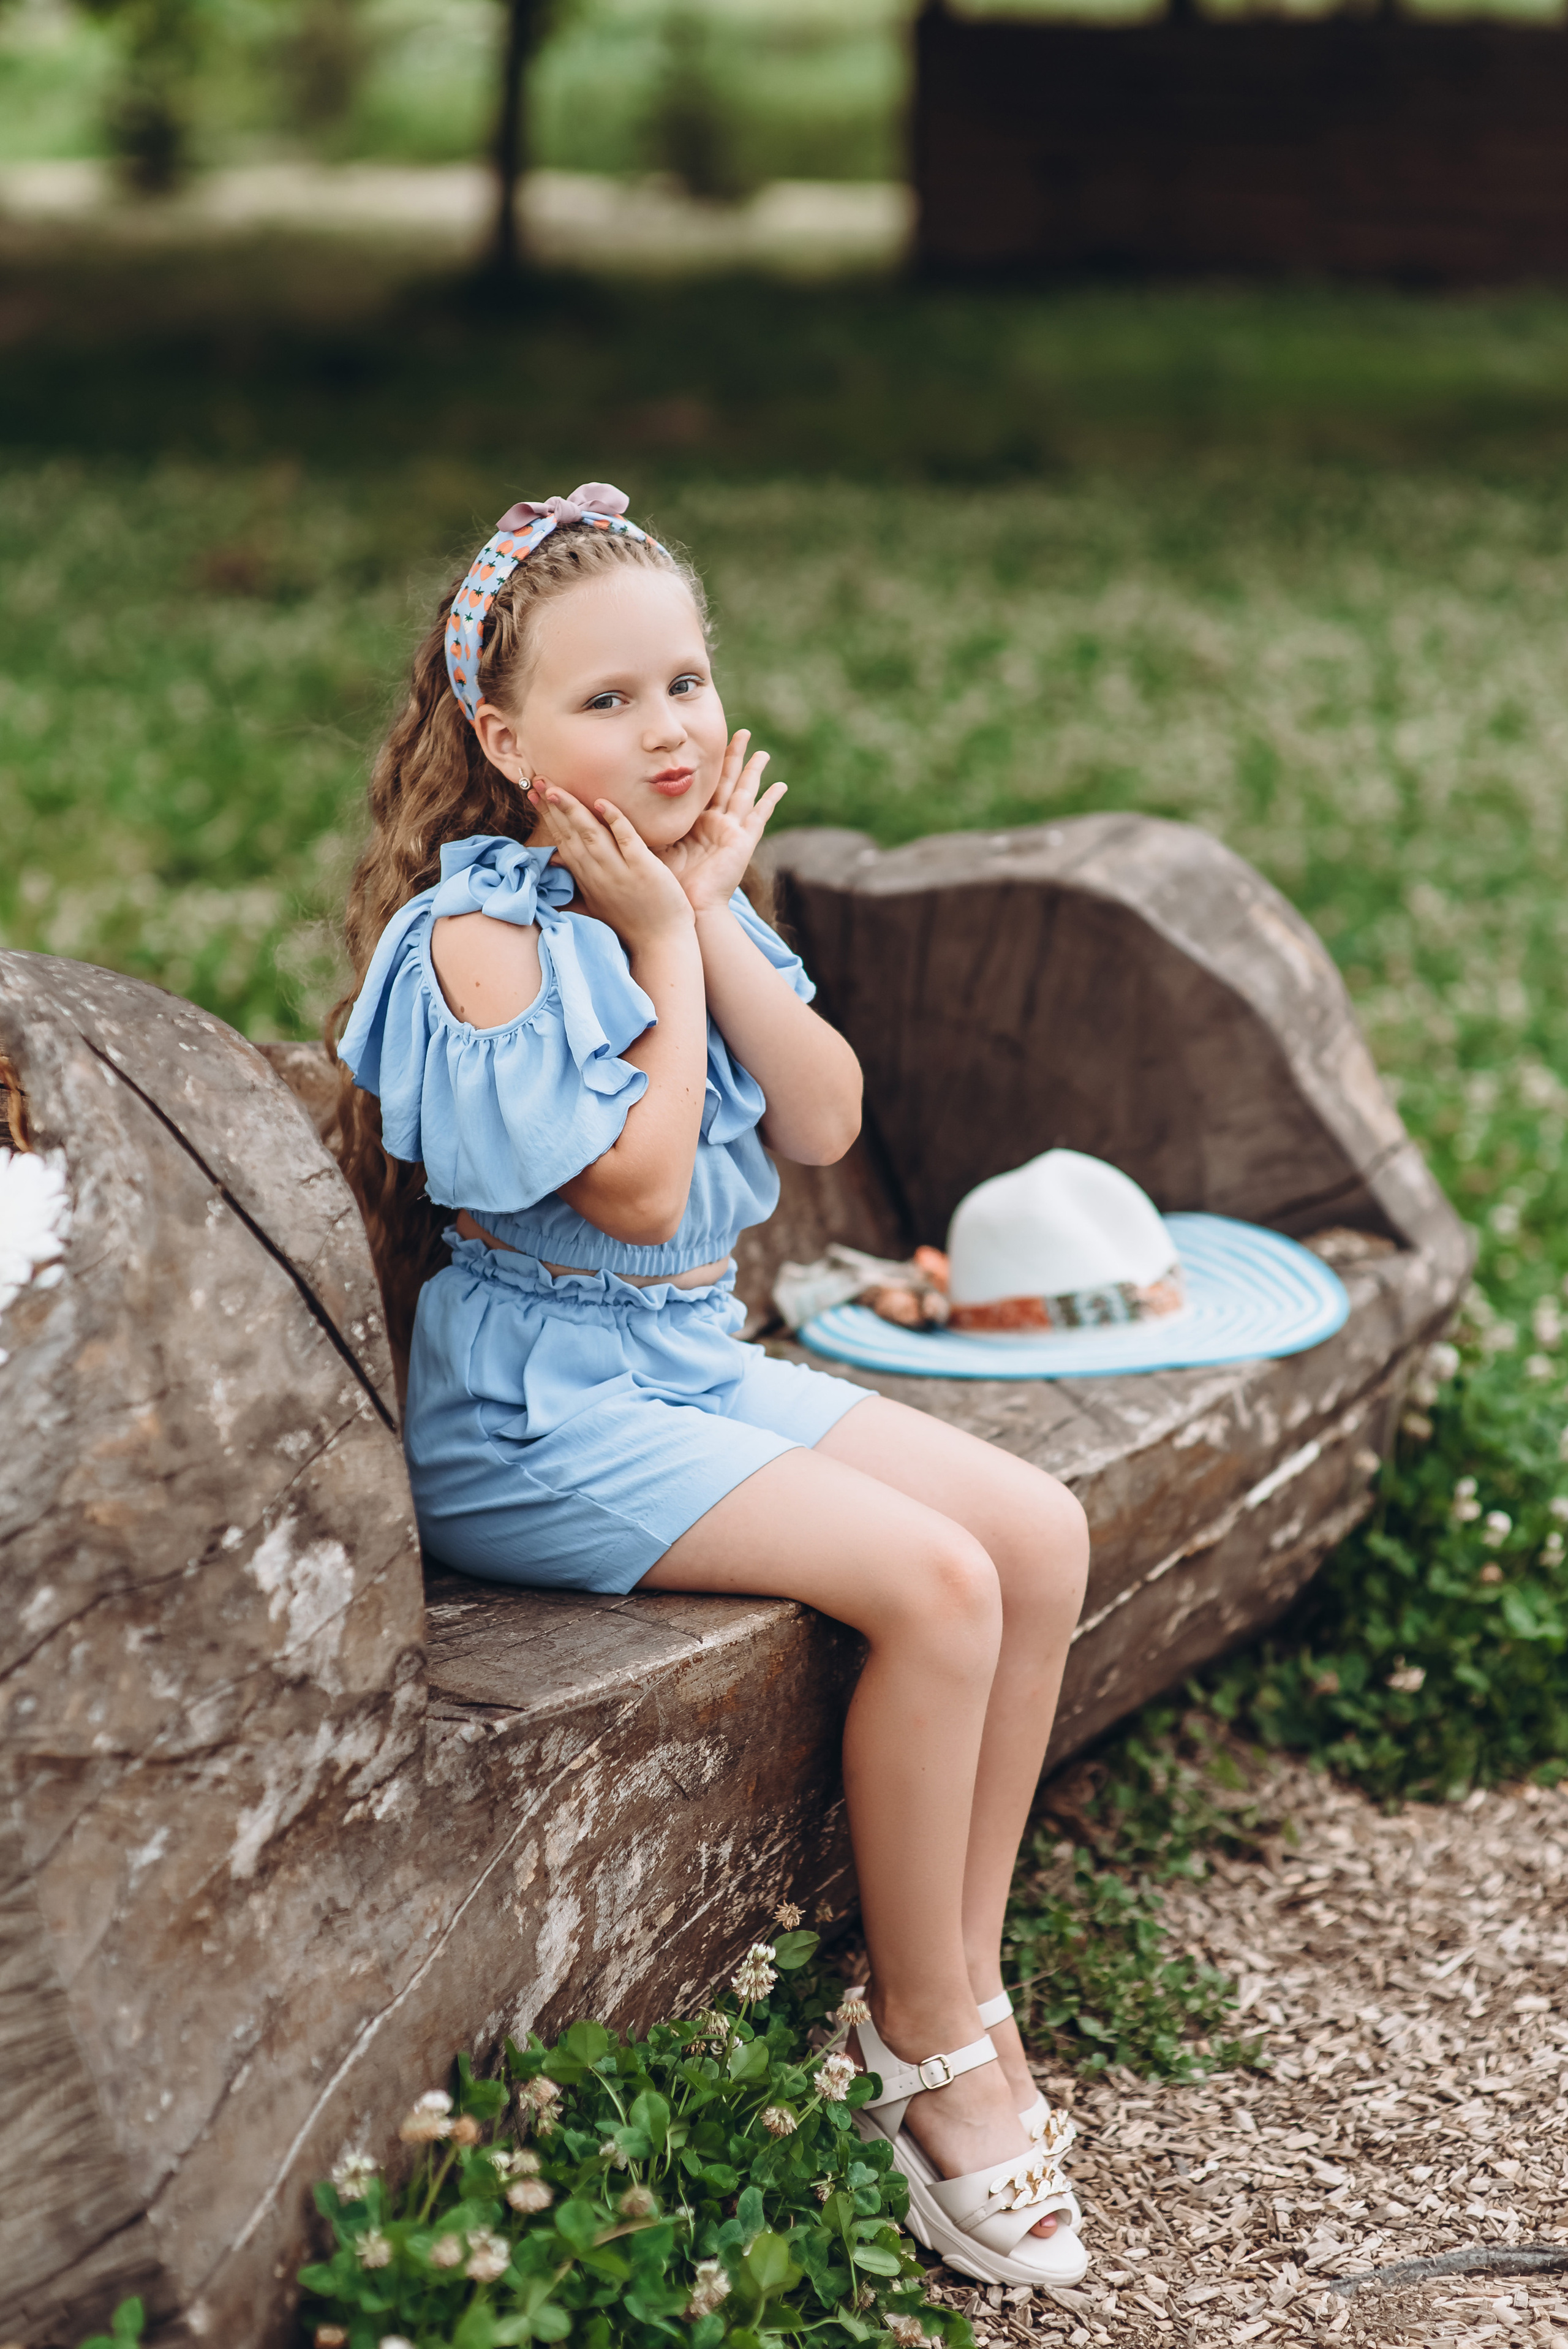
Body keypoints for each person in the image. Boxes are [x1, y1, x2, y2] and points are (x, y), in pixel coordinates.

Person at [331, 485, 1092, 2288]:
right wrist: (667, 946)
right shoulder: (485, 936)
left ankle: (958, 1991)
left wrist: (711, 917)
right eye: (609, 700)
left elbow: (823, 1117)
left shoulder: (687, 892)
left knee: (1039, 1535)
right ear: (504, 740)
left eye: (686, 680)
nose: (667, 725)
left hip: (679, 1367)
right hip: (531, 1418)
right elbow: (647, 1188)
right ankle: (928, 2051)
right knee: (939, 1580)